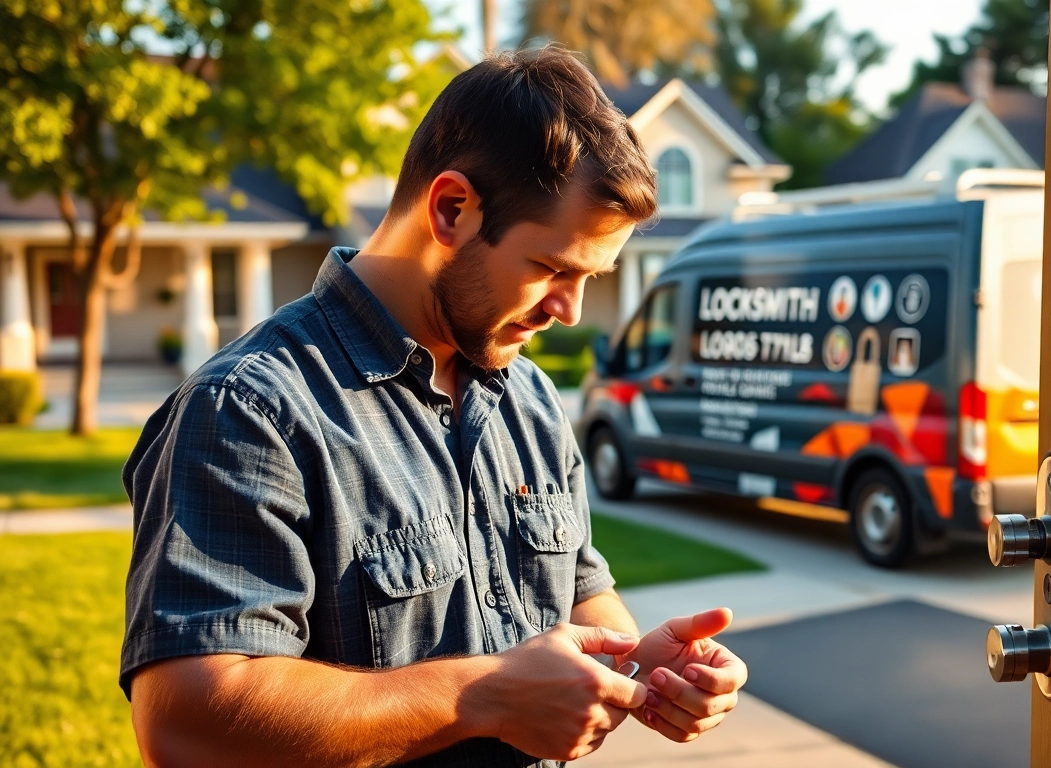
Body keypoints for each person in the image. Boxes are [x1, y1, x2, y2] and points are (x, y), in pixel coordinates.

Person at [120, 48, 747, 767]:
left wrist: (643, 667)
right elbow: (185, 722)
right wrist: (484, 696)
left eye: (591, 278)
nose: (570, 311)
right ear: (452, 209)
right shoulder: (250, 410)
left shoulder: (531, 398)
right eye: (552, 268)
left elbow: (578, 589)